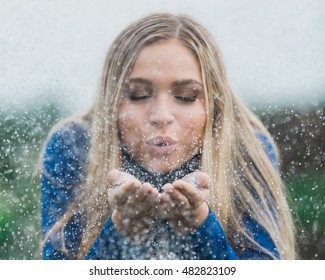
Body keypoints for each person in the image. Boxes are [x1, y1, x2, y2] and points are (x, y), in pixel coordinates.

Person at [40, 13, 296, 260]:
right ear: (111, 103)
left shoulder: (246, 150)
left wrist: (200, 226)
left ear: (214, 106)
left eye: (186, 96)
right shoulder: (73, 146)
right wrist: (120, 229)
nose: (161, 116)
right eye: (138, 94)